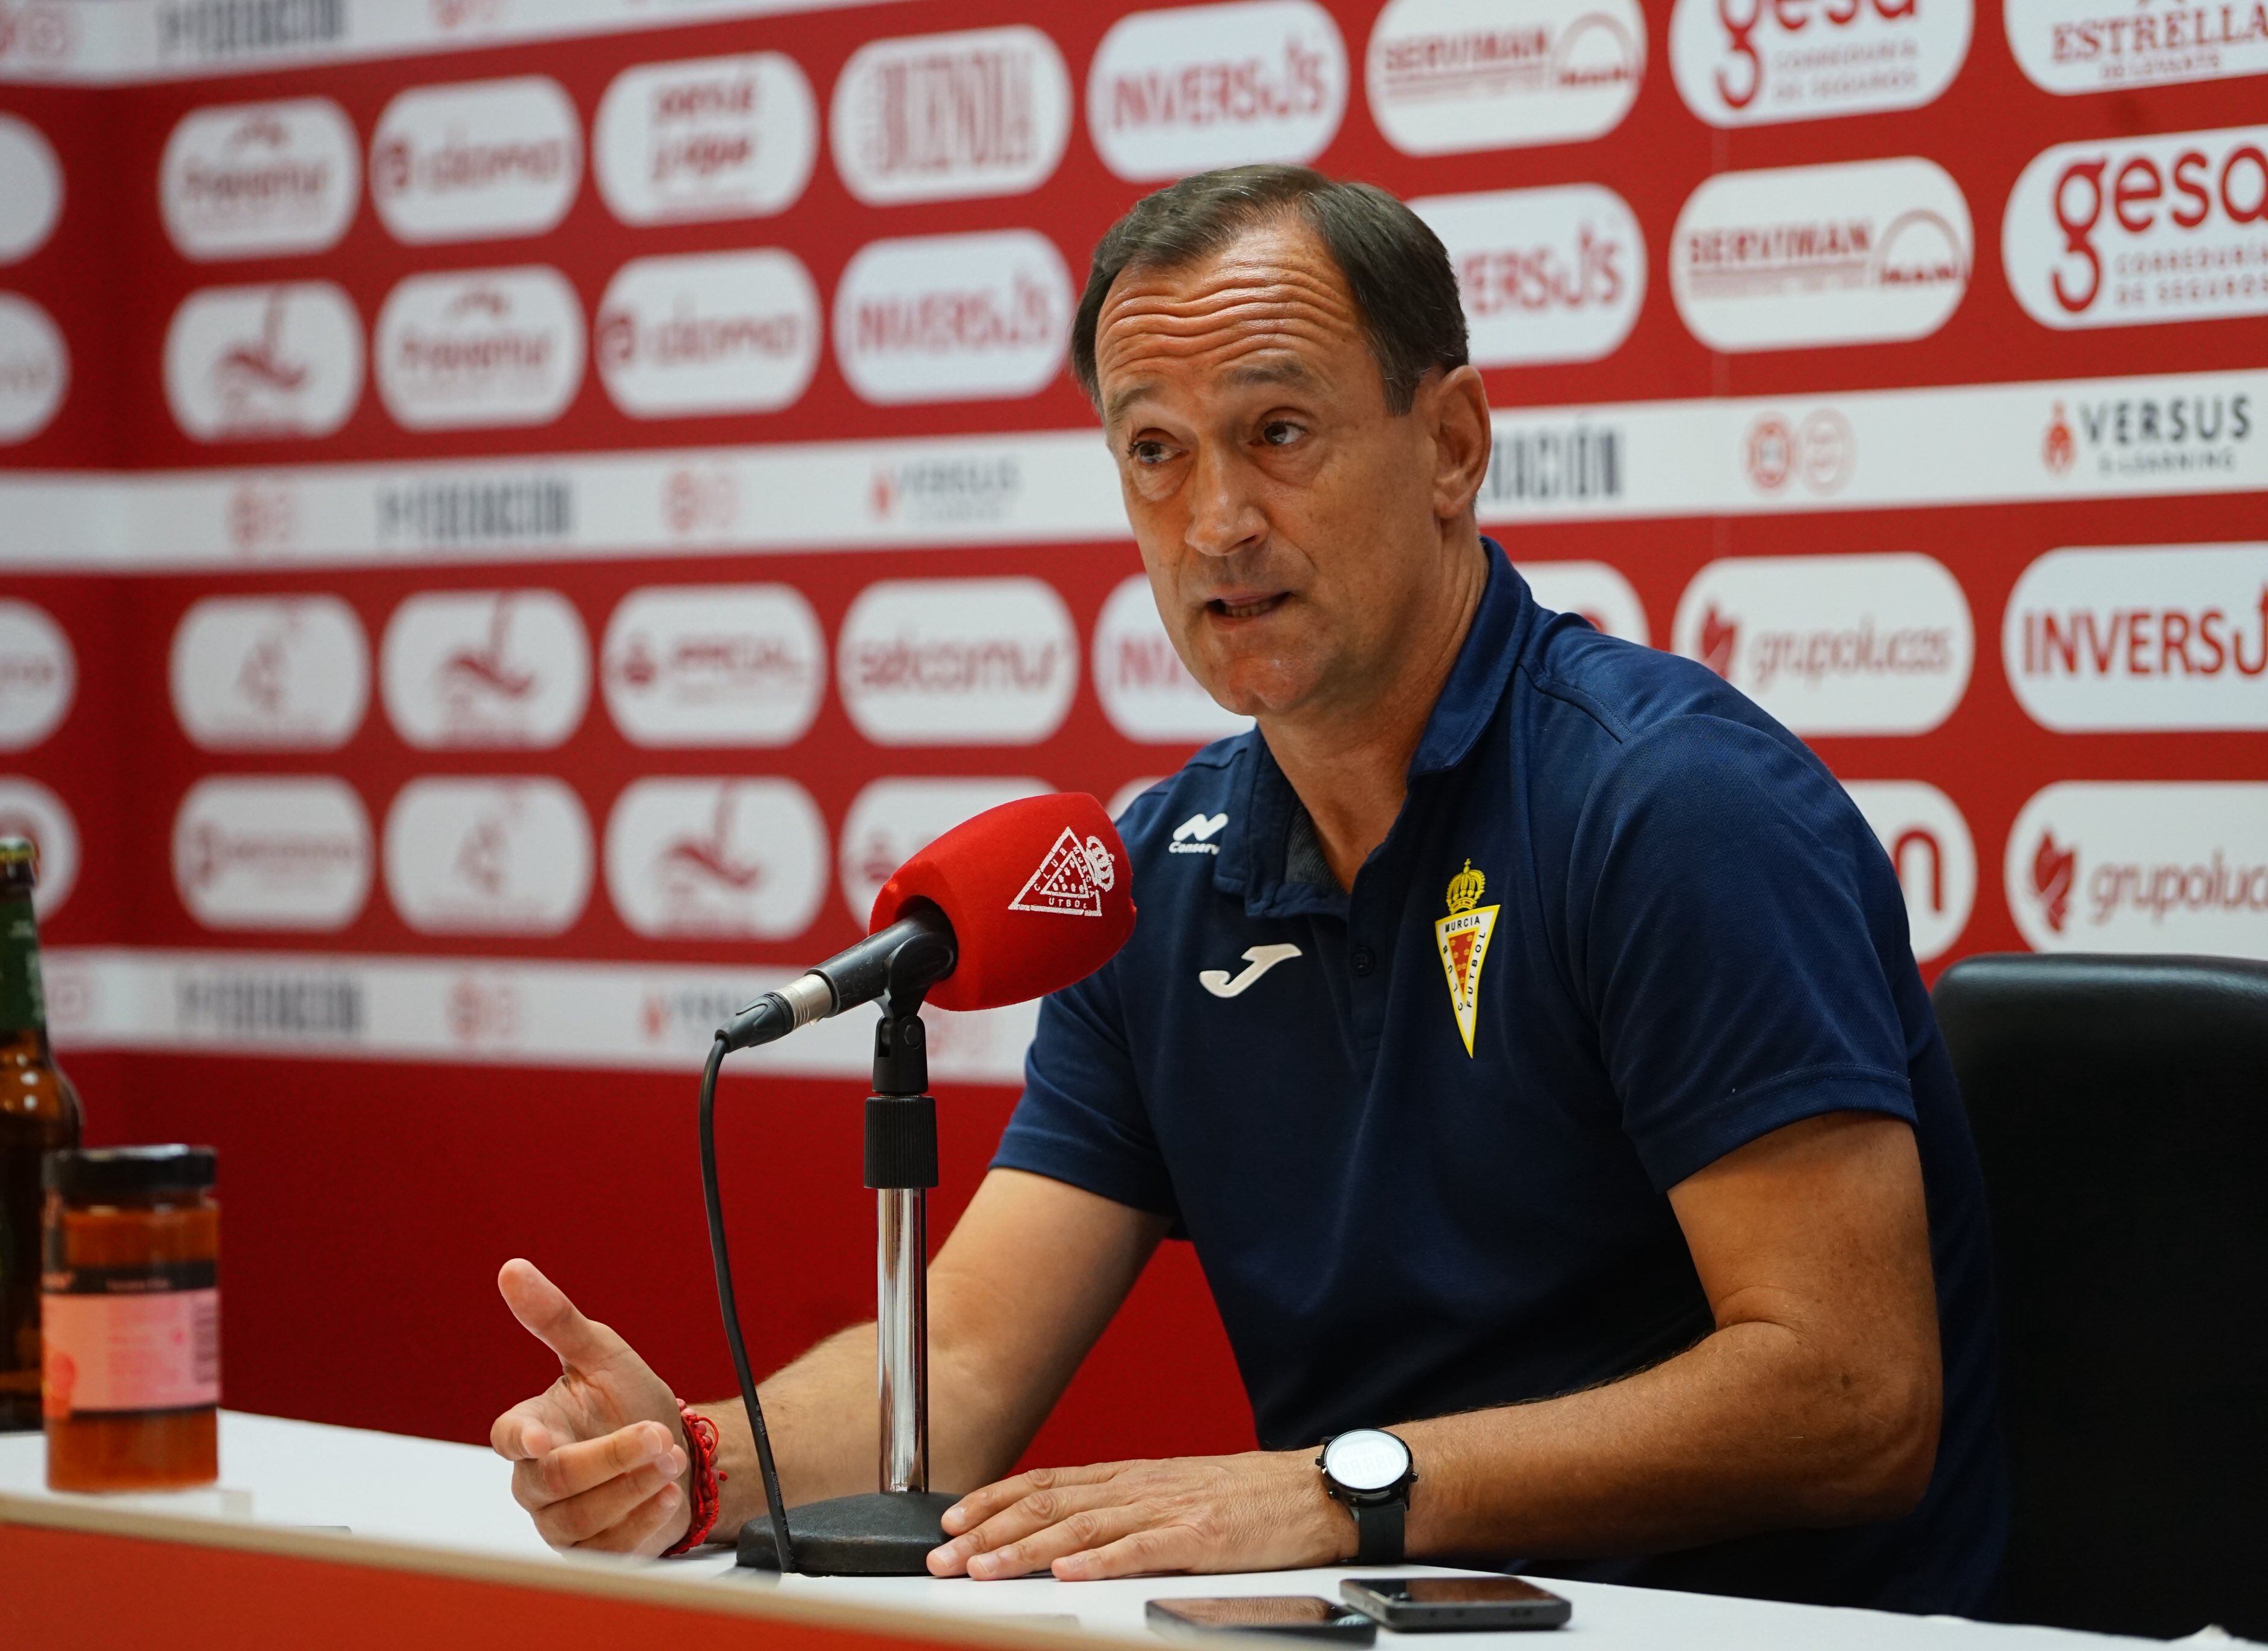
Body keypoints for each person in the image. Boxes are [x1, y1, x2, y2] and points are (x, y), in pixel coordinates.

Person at [489, 165, 2004, 1614]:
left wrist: (1339, 1492)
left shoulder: (1670, 807)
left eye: (1277, 431)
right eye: (1154, 451)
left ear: (1453, 445)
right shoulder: (1148, 879)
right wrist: (688, 1462)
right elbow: (955, 1368)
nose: (1214, 522)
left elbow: (1850, 1394)